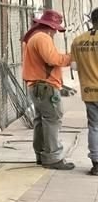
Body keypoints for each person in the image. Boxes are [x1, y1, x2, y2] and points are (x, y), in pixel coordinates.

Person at [22, 9, 74, 170]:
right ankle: (52, 158)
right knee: (52, 119)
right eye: (56, 29)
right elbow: (52, 59)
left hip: (36, 86)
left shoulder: (34, 37)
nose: (56, 33)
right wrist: (71, 58)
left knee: (41, 120)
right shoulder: (43, 38)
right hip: (45, 86)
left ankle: (41, 154)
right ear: (51, 27)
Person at [72, 8, 98, 175]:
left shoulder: (78, 40)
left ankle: (96, 163)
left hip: (89, 91)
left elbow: (74, 67)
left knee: (94, 127)